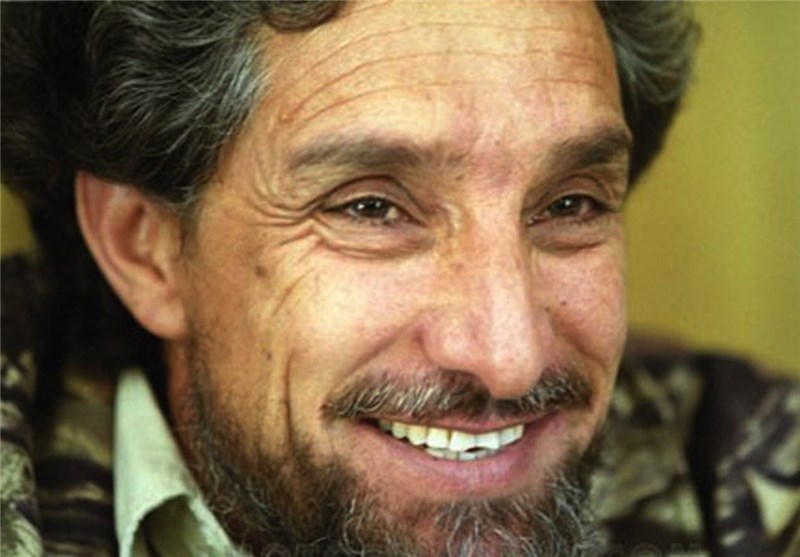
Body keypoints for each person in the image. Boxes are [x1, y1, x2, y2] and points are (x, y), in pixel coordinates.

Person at [1, 2, 797, 556]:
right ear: (146, 248)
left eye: (570, 203)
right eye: (373, 208)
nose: (510, 357)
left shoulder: (757, 480)